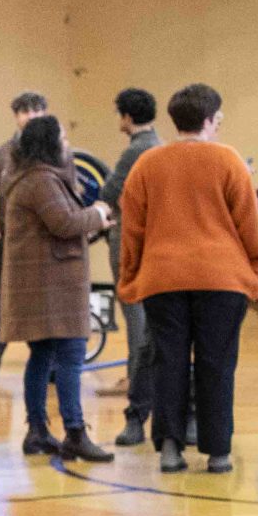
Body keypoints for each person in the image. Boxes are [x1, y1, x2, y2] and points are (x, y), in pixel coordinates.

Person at [118, 83, 258, 474]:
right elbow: (249, 225)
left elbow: (132, 229)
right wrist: (256, 272)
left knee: (168, 362)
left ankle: (170, 448)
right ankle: (218, 452)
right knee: (217, 364)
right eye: (218, 119)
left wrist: (130, 277)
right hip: (222, 280)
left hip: (163, 278)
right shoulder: (230, 161)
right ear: (208, 120)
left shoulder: (146, 164)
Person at [0, 114, 115, 461]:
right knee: (70, 357)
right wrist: (97, 212)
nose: (68, 146)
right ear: (50, 144)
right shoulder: (41, 181)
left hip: (40, 285)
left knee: (42, 356)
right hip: (54, 287)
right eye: (63, 139)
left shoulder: (25, 176)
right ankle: (74, 432)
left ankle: (37, 431)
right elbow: (64, 222)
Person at [0, 91, 51, 386]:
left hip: (44, 242)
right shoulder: (0, 155)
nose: (30, 116)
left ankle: (51, 367)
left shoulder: (58, 152)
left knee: (43, 305)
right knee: (0, 305)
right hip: (9, 242)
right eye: (24, 111)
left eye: (36, 110)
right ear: (16, 117)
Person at [101, 88, 162, 445]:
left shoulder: (135, 151)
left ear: (126, 117)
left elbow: (107, 196)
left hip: (130, 245)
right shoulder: (160, 145)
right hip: (153, 246)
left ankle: (136, 384)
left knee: (136, 320)